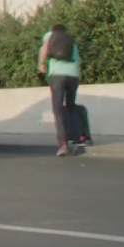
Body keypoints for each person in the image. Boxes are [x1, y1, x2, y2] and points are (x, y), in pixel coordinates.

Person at [39, 23, 84, 156]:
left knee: (58, 109)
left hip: (58, 75)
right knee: (70, 106)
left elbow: (44, 49)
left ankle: (63, 144)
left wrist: (42, 64)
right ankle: (77, 139)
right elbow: (78, 59)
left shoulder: (50, 35)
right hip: (73, 75)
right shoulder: (71, 39)